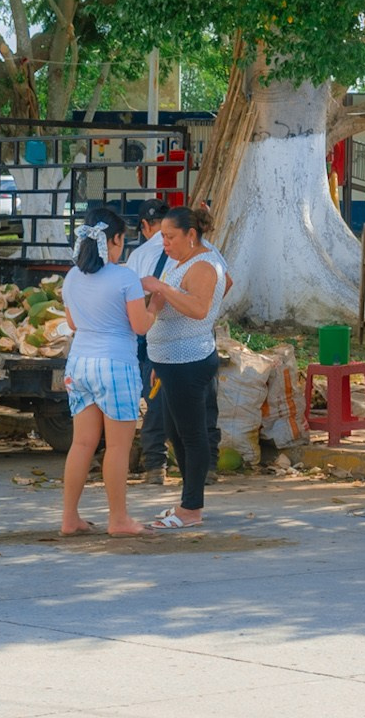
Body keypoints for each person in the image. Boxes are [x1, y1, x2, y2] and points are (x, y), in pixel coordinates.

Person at [58, 206, 155, 537]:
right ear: (113, 240)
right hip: (115, 365)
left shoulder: (72, 276)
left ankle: (70, 518)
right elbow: (140, 326)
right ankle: (119, 520)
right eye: (121, 241)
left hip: (79, 364)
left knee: (82, 444)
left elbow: (72, 323)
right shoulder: (125, 277)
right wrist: (157, 302)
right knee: (117, 447)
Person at [139, 205, 228, 529]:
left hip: (188, 360)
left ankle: (192, 509)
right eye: (162, 236)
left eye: (170, 236)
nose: (165, 242)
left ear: (191, 235)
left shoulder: (203, 265)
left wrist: (162, 288)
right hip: (170, 360)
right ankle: (186, 503)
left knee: (191, 435)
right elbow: (225, 283)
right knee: (177, 433)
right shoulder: (187, 261)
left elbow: (201, 308)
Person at [125, 199, 171, 481]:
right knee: (196, 402)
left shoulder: (138, 256)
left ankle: (155, 464)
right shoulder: (197, 252)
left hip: (153, 336)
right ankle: (207, 468)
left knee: (155, 398)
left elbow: (129, 301)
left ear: (144, 226)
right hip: (193, 337)